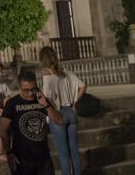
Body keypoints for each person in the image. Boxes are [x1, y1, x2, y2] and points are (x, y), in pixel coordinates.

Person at [0, 69, 63, 175]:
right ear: (20, 87)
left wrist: (46, 105)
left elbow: (59, 120)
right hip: (21, 158)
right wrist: (9, 153)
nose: (29, 94)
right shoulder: (12, 104)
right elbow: (3, 131)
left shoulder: (43, 100)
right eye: (26, 90)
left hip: (43, 157)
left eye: (33, 89)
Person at [39, 46, 85, 175]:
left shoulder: (47, 78)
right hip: (71, 111)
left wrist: (53, 107)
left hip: (58, 113)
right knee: (74, 151)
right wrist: (74, 102)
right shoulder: (68, 73)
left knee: (63, 154)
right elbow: (82, 86)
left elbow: (47, 99)